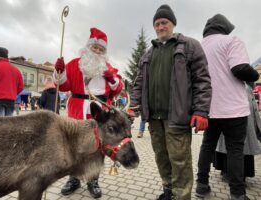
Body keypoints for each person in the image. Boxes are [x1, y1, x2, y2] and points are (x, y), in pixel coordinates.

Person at [130, 4, 212, 200]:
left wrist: (201, 111)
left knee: (180, 161)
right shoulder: (149, 54)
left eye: (164, 22)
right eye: (156, 24)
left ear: (173, 23)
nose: (160, 27)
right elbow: (139, 82)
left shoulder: (189, 46)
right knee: (162, 158)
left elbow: (202, 80)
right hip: (154, 119)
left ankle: (181, 196)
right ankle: (168, 190)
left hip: (177, 117)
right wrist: (134, 105)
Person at [53, 27, 123, 199]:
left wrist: (110, 76)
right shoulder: (75, 63)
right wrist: (59, 72)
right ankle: (74, 179)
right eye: (95, 47)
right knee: (75, 146)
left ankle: (93, 180)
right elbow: (62, 86)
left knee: (98, 148)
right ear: (88, 47)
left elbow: (118, 89)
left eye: (101, 49)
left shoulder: (107, 68)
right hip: (77, 109)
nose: (98, 51)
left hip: (99, 112)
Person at [195, 14, 259, 200]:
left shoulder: (200, 46)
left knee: (207, 146)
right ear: (225, 27)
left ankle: (201, 185)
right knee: (235, 151)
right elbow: (239, 68)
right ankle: (237, 194)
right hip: (234, 109)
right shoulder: (231, 41)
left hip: (208, 108)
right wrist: (254, 75)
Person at [214, 84, 261, 183]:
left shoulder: (245, 85)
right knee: (233, 145)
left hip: (242, 112)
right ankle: (231, 175)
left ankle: (235, 174)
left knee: (239, 145)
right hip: (232, 112)